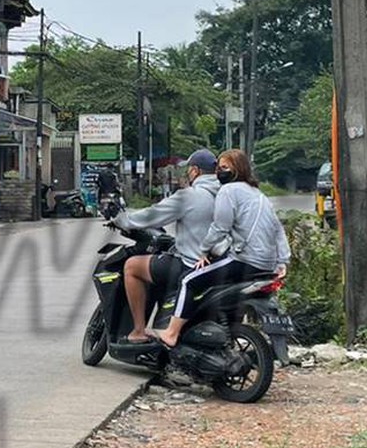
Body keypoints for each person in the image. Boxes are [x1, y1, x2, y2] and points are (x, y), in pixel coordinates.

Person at [150, 149, 289, 349]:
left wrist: (203, 251)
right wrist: (282, 260)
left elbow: (220, 227)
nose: (219, 173)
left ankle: (171, 333)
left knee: (189, 280)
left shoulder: (228, 191)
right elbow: (277, 229)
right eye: (218, 168)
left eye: (224, 168)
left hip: (245, 260)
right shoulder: (258, 194)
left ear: (237, 170)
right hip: (266, 265)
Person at [113, 149, 221, 340]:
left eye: (188, 169)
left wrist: (123, 220)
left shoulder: (190, 195)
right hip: (221, 264)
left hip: (190, 263)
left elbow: (153, 215)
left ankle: (138, 331)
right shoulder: (227, 193)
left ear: (195, 171)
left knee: (131, 266)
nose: (187, 173)